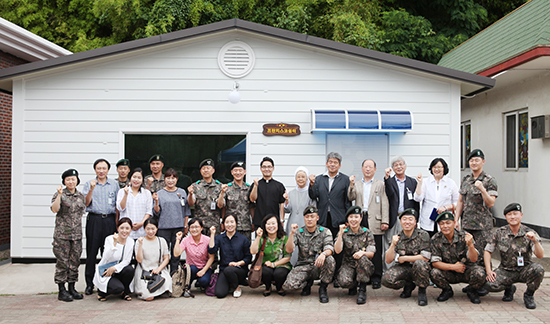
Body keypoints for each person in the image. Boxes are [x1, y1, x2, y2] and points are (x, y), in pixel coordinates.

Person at [483, 203, 545, 309]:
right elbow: (487, 251)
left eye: (515, 214)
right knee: (489, 285)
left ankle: (529, 295)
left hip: (524, 269)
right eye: (509, 214)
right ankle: (509, 288)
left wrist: (535, 241)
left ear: (521, 215)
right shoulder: (499, 233)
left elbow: (540, 255)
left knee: (538, 269)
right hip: (506, 270)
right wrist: (489, 271)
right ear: (506, 217)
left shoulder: (529, 233)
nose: (512, 217)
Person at [347, 159, 389, 289]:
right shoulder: (357, 184)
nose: (368, 169)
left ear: (375, 169)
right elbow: (350, 197)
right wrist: (351, 185)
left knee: (376, 249)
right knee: (360, 247)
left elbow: (385, 202)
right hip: (360, 218)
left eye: (371, 167)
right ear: (362, 169)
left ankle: (376, 277)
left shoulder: (380, 184)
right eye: (366, 167)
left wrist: (385, 220)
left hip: (375, 219)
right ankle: (364, 276)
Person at [430, 212, 486, 304]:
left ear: (454, 223)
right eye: (442, 223)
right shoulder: (436, 239)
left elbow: (474, 259)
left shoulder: (465, 236)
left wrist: (471, 245)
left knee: (480, 273)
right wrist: (453, 267)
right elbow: (435, 263)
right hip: (449, 271)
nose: (445, 226)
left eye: (448, 223)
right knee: (434, 273)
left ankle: (472, 290)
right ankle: (447, 290)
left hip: (466, 270)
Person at [283, 206, 336, 303]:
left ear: (317, 218)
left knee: (330, 259)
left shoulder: (325, 231)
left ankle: (323, 288)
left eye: (312, 216)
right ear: (304, 218)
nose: (309, 219)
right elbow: (289, 250)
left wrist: (323, 254)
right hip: (303, 266)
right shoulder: (299, 232)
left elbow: (330, 248)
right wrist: (291, 234)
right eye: (307, 217)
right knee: (289, 286)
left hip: (318, 266)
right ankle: (307, 283)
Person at [83, 158, 119, 295]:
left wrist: (116, 224)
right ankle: (89, 283)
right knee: (91, 253)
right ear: (95, 170)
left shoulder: (114, 184)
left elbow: (117, 206)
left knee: (108, 253)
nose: (101, 171)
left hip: (109, 221)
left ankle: (105, 283)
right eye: (99, 168)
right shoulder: (89, 184)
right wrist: (91, 189)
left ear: (108, 170)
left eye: (104, 168)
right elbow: (86, 203)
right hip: (94, 220)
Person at [382, 208, 431, 306]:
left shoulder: (423, 235)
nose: (407, 222)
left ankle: (422, 291)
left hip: (421, 269)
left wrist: (405, 258)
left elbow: (425, 258)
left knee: (420, 263)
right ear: (400, 221)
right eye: (404, 219)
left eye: (410, 219)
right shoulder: (397, 236)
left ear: (415, 222)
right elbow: (388, 260)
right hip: (405, 269)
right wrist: (393, 245)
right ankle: (408, 285)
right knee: (386, 279)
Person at [51, 169, 86, 302]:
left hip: (76, 235)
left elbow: (81, 212)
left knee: (75, 262)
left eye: (73, 179)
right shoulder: (60, 194)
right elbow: (55, 209)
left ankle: (72, 288)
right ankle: (61, 290)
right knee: (62, 263)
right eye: (68, 179)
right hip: (62, 236)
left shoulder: (80, 196)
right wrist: (59, 195)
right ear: (64, 181)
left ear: (77, 180)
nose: (71, 181)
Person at [383, 156, 419, 271]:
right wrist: (387, 178)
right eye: (396, 165)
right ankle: (389, 270)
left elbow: (416, 202)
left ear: (405, 166)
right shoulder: (390, 181)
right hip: (394, 217)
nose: (399, 167)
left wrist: (416, 219)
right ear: (393, 168)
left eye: (401, 164)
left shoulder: (412, 182)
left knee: (410, 243)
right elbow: (388, 194)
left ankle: (409, 270)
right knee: (390, 243)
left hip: (408, 219)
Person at [334, 206, 376, 305]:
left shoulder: (367, 232)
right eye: (351, 217)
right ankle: (352, 285)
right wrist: (340, 234)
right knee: (343, 282)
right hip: (348, 264)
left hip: (363, 265)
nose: (354, 220)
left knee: (363, 259)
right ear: (347, 219)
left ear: (361, 218)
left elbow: (371, 253)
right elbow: (337, 250)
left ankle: (362, 289)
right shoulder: (344, 233)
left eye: (356, 217)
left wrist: (363, 253)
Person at [154, 168, 191, 273]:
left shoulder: (182, 192)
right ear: (164, 179)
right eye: (168, 178)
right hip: (163, 228)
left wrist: (185, 226)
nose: (170, 180)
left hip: (178, 227)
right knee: (163, 253)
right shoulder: (160, 193)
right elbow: (156, 211)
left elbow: (186, 211)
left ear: (177, 179)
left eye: (173, 178)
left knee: (176, 254)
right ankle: (163, 274)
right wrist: (156, 202)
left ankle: (174, 275)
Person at [208, 214, 252, 298]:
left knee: (229, 270)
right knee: (220, 293)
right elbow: (211, 250)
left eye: (232, 222)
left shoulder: (243, 239)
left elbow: (248, 257)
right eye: (227, 222)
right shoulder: (220, 238)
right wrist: (212, 235)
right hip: (224, 270)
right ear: (223, 224)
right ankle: (230, 283)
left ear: (236, 223)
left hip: (240, 270)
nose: (229, 224)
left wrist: (238, 263)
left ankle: (236, 287)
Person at [414, 158, 459, 237]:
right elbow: (418, 198)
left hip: (445, 222)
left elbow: (458, 203)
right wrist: (419, 183)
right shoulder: (425, 182)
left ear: (444, 168)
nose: (437, 169)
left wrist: (446, 208)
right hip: (427, 221)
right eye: (434, 167)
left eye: (439, 167)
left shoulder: (451, 183)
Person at [93, 217, 135, 301]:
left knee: (130, 270)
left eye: (127, 228)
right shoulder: (109, 239)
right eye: (122, 228)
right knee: (117, 288)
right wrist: (114, 244)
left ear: (131, 230)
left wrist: (115, 268)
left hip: (118, 269)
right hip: (106, 269)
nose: (124, 231)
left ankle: (125, 292)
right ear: (117, 229)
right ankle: (102, 292)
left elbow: (127, 260)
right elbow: (106, 257)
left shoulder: (131, 241)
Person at [250, 214, 292, 297]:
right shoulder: (262, 238)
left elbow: (287, 257)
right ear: (264, 226)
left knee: (279, 273)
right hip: (266, 265)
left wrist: (274, 264)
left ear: (278, 225)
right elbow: (253, 251)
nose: (271, 226)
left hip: (282, 265)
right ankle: (268, 287)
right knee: (266, 271)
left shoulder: (284, 238)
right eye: (268, 224)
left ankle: (279, 287)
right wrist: (258, 237)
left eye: (273, 223)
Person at [284, 166, 316, 265]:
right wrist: (286, 201)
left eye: (303, 176)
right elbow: (287, 209)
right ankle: (292, 266)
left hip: (306, 223)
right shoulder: (291, 192)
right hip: (293, 223)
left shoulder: (310, 193)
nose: (300, 179)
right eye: (298, 177)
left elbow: (314, 209)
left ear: (306, 178)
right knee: (293, 245)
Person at [134, 218, 172, 301]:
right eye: (148, 229)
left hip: (158, 271)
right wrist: (140, 245)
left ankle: (158, 292)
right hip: (144, 272)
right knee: (148, 297)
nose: (150, 231)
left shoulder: (161, 241)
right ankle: (156, 293)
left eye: (153, 229)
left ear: (157, 228)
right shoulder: (139, 241)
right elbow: (139, 260)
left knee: (167, 284)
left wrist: (158, 269)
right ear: (144, 229)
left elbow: (166, 258)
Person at [174, 218, 215, 291]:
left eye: (196, 227)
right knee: (192, 268)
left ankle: (201, 283)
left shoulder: (207, 240)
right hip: (191, 269)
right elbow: (176, 254)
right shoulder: (186, 240)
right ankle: (187, 287)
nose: (194, 229)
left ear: (201, 228)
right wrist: (178, 239)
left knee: (204, 281)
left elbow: (211, 257)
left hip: (204, 267)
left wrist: (203, 270)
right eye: (192, 227)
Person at [217, 161, 253, 241]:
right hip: (231, 226)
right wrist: (223, 222)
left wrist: (253, 222)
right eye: (235, 170)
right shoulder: (227, 188)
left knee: (245, 250)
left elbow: (251, 207)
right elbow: (223, 207)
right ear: (232, 172)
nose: (238, 173)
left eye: (240, 170)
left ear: (245, 172)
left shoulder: (249, 188)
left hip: (245, 226)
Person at [248, 157, 286, 228]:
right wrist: (256, 186)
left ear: (273, 168)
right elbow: (252, 199)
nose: (266, 169)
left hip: (274, 223)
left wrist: (282, 219)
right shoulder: (255, 184)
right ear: (261, 168)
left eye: (269, 167)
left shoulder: (279, 185)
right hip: (259, 222)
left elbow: (282, 204)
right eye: (264, 167)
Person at [188, 159, 223, 234]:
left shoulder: (219, 186)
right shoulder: (195, 186)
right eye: (203, 169)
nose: (206, 170)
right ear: (200, 171)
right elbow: (191, 203)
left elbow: (220, 205)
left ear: (213, 170)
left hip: (214, 225)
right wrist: (190, 194)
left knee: (214, 245)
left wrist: (222, 192)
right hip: (199, 225)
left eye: (208, 168)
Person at [117, 168, 153, 240]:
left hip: (141, 231)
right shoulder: (122, 191)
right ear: (130, 178)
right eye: (134, 177)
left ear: (142, 180)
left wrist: (141, 223)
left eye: (139, 178)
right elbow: (120, 208)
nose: (136, 180)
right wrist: (126, 194)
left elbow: (149, 211)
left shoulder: (146, 193)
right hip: (125, 231)